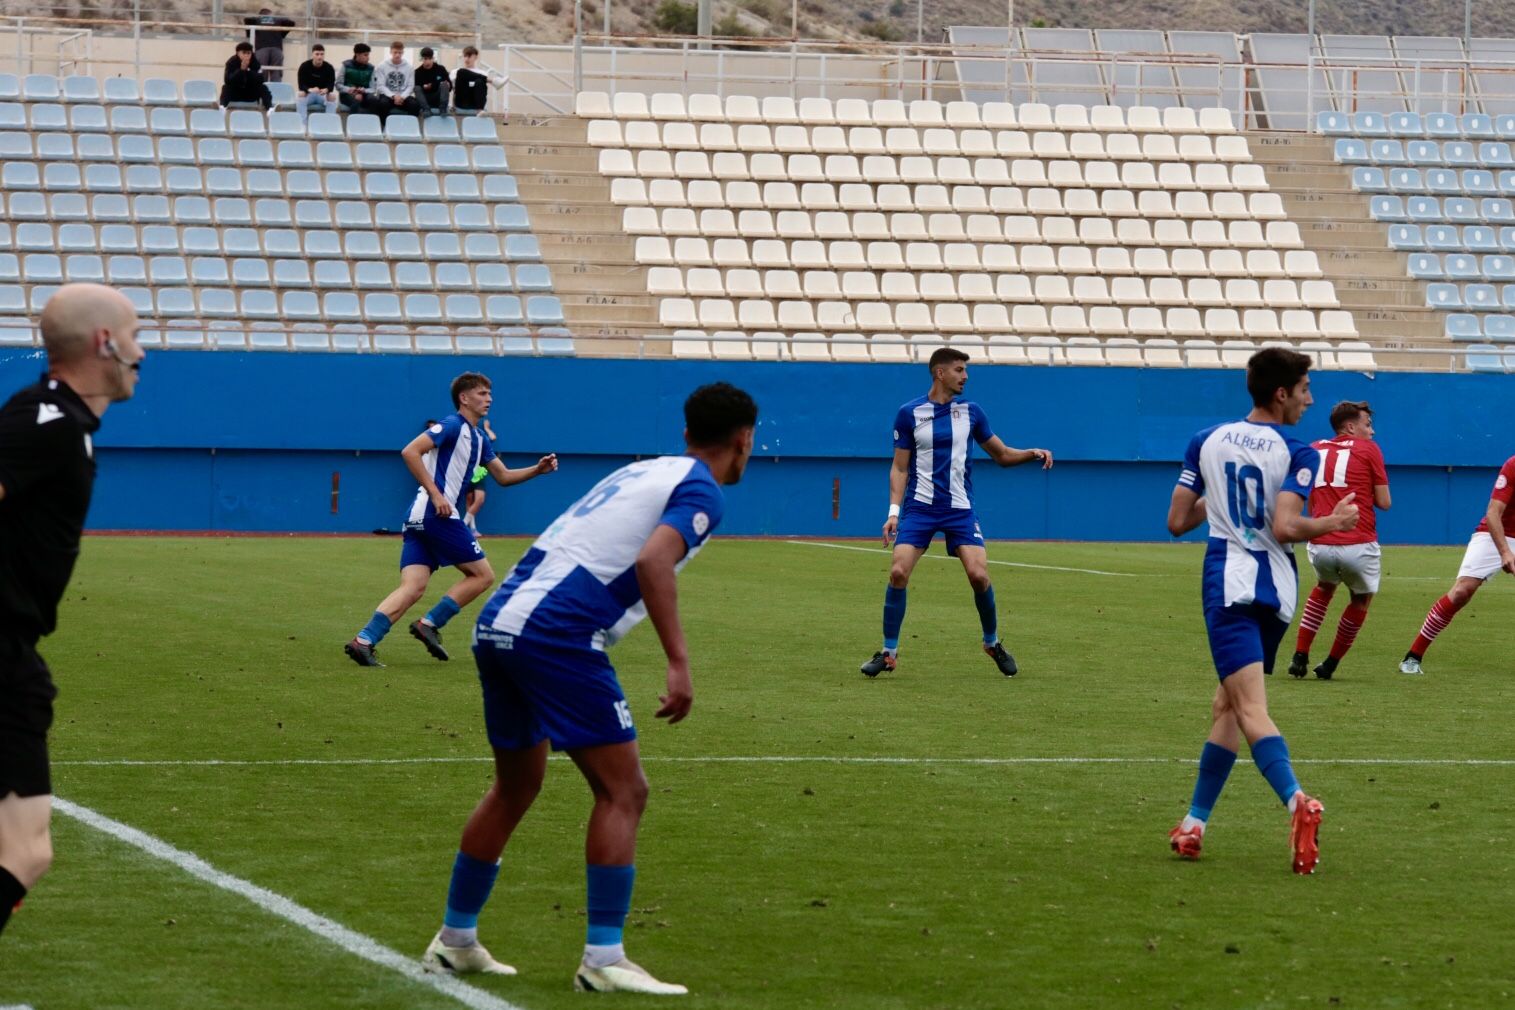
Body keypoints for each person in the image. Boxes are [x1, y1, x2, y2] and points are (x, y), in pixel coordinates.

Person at [419, 382, 756, 994]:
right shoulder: (699, 486)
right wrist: (679, 663)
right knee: (624, 791)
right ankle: (603, 957)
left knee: (516, 785)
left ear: (684, 435)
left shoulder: (645, 471)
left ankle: (455, 941)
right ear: (744, 439)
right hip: (558, 633)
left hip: (500, 622)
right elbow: (655, 562)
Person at [1165, 348, 1359, 876]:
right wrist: (1334, 520)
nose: (1310, 399)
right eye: (1305, 388)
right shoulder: (1297, 451)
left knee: (1248, 707)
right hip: (1278, 594)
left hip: (1228, 585)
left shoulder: (1205, 441)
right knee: (1227, 705)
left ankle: (1298, 802)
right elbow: (1287, 529)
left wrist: (1221, 494)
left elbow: (1178, 520)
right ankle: (1193, 824)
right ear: (1282, 393)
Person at [0, 284, 146, 937]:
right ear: (105, 343)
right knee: (24, 853)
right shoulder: (48, 425)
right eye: (136, 335)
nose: (143, 352)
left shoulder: (58, 422)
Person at [858, 347, 1053, 679]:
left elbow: (1002, 455)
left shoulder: (972, 412)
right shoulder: (909, 413)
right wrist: (893, 512)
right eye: (960, 370)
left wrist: (1032, 452)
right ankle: (889, 653)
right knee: (898, 573)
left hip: (960, 509)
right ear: (940, 373)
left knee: (979, 576)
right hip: (919, 509)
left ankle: (992, 643)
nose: (965, 376)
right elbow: (899, 468)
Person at [344, 373, 556, 667]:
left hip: (419, 517)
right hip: (437, 514)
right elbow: (410, 451)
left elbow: (503, 477)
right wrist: (436, 494)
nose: (489, 399)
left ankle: (364, 641)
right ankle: (429, 624)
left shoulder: (480, 438)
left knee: (413, 587)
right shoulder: (453, 425)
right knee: (483, 575)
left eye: (490, 394)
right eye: (482, 393)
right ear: (464, 398)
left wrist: (537, 470)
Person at [1286, 401, 1391, 681]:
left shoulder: (1314, 448)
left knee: (1323, 588)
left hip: (1319, 543)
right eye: (1367, 425)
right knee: (1360, 600)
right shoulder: (1369, 450)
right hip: (1358, 542)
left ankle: (1300, 655)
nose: (1372, 431)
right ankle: (1330, 664)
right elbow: (1384, 502)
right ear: (1350, 427)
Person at [1399, 454, 1515, 675]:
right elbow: (1493, 513)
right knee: (1462, 591)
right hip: (1498, 533)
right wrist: (1505, 552)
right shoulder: (1514, 465)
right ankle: (1413, 657)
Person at [464, 418, 498, 534]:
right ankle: (472, 529)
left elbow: (493, 438)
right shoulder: (463, 439)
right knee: (469, 500)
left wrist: (487, 429)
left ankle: (463, 526)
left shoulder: (481, 438)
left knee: (479, 499)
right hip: (467, 474)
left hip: (479, 473)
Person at [244, 7, 295, 82]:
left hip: (261, 50)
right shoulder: (277, 20)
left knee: (261, 75)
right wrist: (282, 34)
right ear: (270, 14)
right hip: (276, 50)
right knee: (276, 75)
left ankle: (261, 93)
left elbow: (247, 19)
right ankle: (276, 93)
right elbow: (291, 23)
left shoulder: (258, 19)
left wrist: (249, 33)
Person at [375, 41, 420, 121]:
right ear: (390, 52)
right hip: (388, 95)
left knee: (414, 105)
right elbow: (380, 85)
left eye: (400, 52)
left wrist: (402, 97)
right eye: (395, 52)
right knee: (382, 104)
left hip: (403, 95)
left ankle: (409, 127)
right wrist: (393, 96)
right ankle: (384, 127)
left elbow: (410, 86)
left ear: (403, 52)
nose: (397, 55)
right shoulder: (382, 66)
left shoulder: (409, 67)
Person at [220, 41, 273, 109]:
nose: (246, 55)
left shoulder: (255, 62)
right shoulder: (231, 62)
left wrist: (248, 71)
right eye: (244, 52)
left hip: (249, 93)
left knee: (263, 87)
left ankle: (270, 109)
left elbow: (261, 79)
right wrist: (241, 71)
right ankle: (222, 108)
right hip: (236, 93)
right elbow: (227, 80)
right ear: (238, 53)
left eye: (249, 53)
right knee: (226, 88)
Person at [452, 46, 503, 117]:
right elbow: (452, 88)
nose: (466, 59)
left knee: (479, 81)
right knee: (461, 72)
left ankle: (480, 110)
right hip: (461, 102)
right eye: (465, 56)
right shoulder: (456, 72)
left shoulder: (483, 73)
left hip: (475, 103)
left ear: (475, 57)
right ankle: (492, 81)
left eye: (469, 56)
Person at [296, 43, 337, 121]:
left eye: (322, 54)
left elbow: (331, 84)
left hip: (322, 94)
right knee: (300, 97)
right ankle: (303, 127)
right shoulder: (304, 66)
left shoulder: (329, 67)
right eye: (317, 54)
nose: (319, 57)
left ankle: (329, 125)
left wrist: (326, 90)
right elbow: (301, 85)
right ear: (312, 55)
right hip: (309, 93)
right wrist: (309, 89)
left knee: (332, 97)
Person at [337, 42, 379, 115]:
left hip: (365, 94)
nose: (368, 58)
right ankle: (353, 125)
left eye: (368, 55)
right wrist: (349, 90)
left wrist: (364, 90)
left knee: (374, 100)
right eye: (365, 55)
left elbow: (373, 88)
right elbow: (338, 85)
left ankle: (372, 124)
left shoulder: (371, 68)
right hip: (347, 94)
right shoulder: (346, 66)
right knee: (356, 100)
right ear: (357, 55)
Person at [414, 47, 450, 118]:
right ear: (422, 59)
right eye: (425, 59)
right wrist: (425, 86)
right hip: (425, 99)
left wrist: (448, 85)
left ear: (433, 58)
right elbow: (417, 87)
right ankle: (426, 109)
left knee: (445, 84)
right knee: (416, 88)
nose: (428, 61)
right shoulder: (418, 72)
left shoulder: (440, 69)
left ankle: (443, 109)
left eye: (429, 59)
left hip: (438, 97)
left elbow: (449, 85)